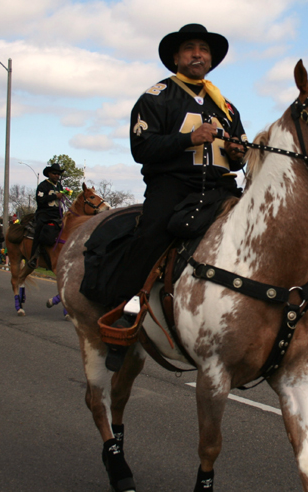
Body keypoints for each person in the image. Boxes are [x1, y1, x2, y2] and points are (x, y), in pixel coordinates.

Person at [85, 23, 247, 308]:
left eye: (204, 49)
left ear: (211, 59)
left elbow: (241, 152)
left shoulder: (227, 107)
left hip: (222, 189)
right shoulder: (156, 97)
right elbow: (142, 148)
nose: (197, 54)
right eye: (189, 49)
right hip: (173, 188)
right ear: (176, 58)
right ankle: (125, 308)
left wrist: (237, 153)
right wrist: (189, 138)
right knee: (151, 238)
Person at [27, 163, 66, 269]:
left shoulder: (59, 186)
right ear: (49, 174)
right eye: (54, 173)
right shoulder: (43, 186)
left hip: (57, 214)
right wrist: (54, 196)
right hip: (44, 214)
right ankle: (33, 257)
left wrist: (63, 194)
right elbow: (40, 200)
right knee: (39, 231)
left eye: (58, 174)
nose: (57, 176)